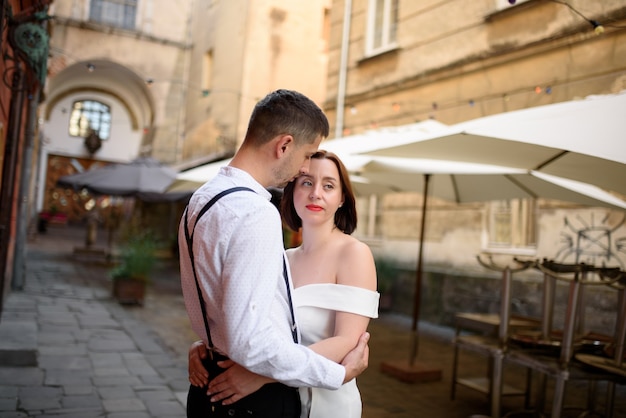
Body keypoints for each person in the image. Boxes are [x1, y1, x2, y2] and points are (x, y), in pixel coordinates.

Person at [179, 89, 370, 418]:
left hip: (231, 385)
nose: (303, 168)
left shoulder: (200, 199)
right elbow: (249, 340)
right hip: (242, 393)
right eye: (305, 159)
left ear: (342, 197)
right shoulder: (256, 214)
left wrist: (213, 343)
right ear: (283, 146)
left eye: (328, 185)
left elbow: (232, 312)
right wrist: (338, 373)